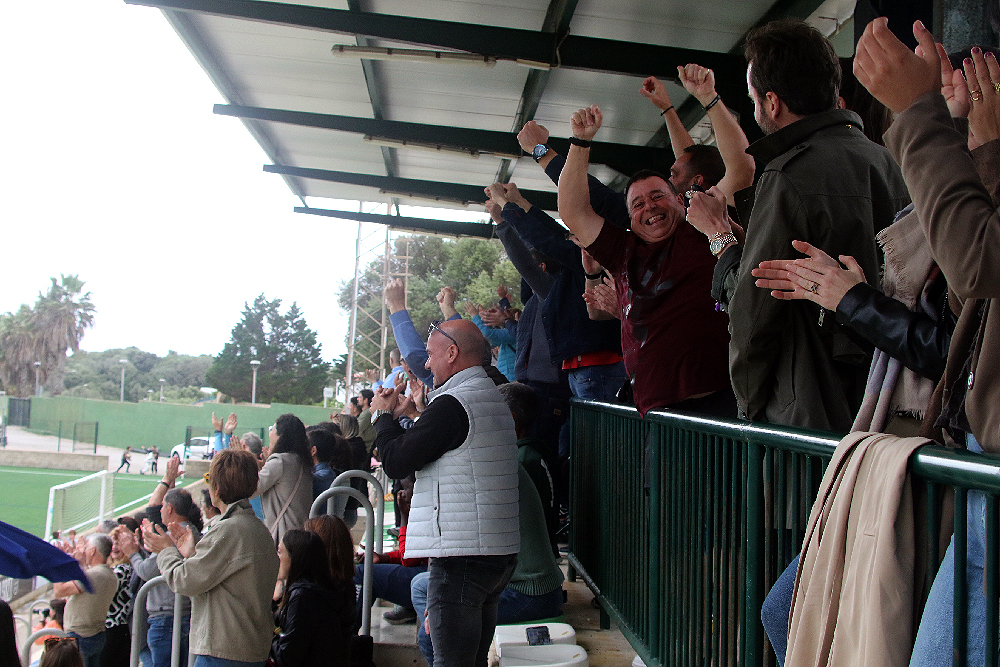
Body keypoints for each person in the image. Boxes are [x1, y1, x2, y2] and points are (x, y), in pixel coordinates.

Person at [854, 19, 1000, 667]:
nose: (959, 94)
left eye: (967, 81)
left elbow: (974, 264)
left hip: (946, 448)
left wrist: (854, 302)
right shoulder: (951, 183)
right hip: (962, 452)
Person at [685, 18, 910, 431]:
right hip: (891, 401)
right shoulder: (891, 162)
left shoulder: (788, 175)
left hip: (809, 412)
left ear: (772, 103)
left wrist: (719, 236)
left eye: (754, 99)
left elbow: (754, 314)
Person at [556, 107, 734, 419]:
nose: (649, 206)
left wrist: (706, 100)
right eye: (638, 203)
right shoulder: (622, 249)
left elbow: (737, 167)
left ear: (681, 199)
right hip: (658, 412)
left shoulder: (701, 225)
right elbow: (573, 210)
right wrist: (580, 142)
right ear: (630, 217)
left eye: (658, 196)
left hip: (722, 402)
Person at [372, 318, 519, 667]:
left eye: (431, 354)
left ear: (452, 353)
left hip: (462, 557)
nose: (425, 364)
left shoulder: (456, 402)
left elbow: (395, 461)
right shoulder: (487, 394)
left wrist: (382, 417)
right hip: (492, 550)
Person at [411, 465, 565, 667]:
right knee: (419, 585)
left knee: (430, 636)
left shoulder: (482, 471)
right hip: (519, 581)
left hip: (531, 593)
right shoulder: (496, 461)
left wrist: (442, 609)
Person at [143, 449, 279, 667]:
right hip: (250, 649)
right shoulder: (257, 529)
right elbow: (229, 581)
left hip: (224, 652)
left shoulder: (229, 530)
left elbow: (184, 580)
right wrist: (193, 553)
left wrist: (166, 550)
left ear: (216, 488)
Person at [115, 456, 203, 667]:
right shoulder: (194, 532)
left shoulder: (175, 535)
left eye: (164, 506)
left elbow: (148, 571)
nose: (159, 510)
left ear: (170, 509)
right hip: (183, 617)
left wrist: (133, 552)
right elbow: (155, 507)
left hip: (167, 620)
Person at [269, 529, 355, 667]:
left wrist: (268, 636)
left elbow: (286, 657)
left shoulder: (302, 597)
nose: (275, 557)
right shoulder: (320, 589)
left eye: (279, 552)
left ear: (294, 558)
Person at [52, 534, 118, 667]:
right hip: (96, 635)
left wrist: (57, 562)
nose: (84, 551)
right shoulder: (110, 575)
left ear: (93, 550)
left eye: (87, 547)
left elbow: (59, 591)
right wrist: (80, 564)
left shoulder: (94, 575)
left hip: (80, 636)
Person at [250, 413, 313, 545]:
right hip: (299, 533)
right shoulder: (302, 461)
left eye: (272, 429)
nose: (270, 433)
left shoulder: (279, 461)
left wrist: (244, 460)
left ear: (280, 436)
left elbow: (251, 489)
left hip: (282, 536)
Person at [356, 389, 376, 454]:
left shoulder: (367, 413)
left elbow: (357, 429)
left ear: (366, 400)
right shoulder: (366, 412)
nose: (358, 399)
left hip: (366, 449)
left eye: (360, 397)